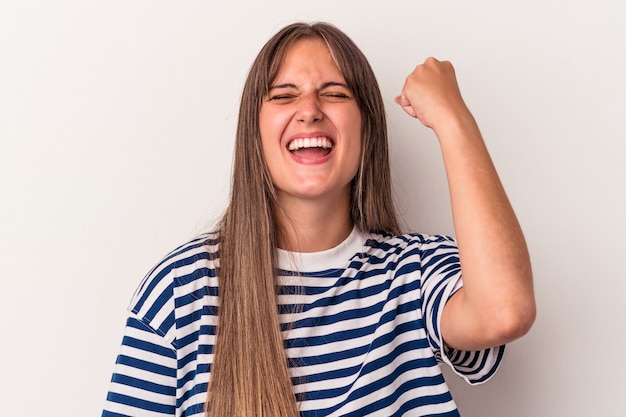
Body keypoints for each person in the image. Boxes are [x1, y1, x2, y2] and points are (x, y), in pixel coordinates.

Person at [102, 21, 535, 417]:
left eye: (335, 93)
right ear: (253, 131)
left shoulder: (415, 273)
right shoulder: (181, 291)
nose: (309, 109)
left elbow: (504, 312)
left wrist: (452, 118)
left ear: (367, 129)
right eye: (284, 95)